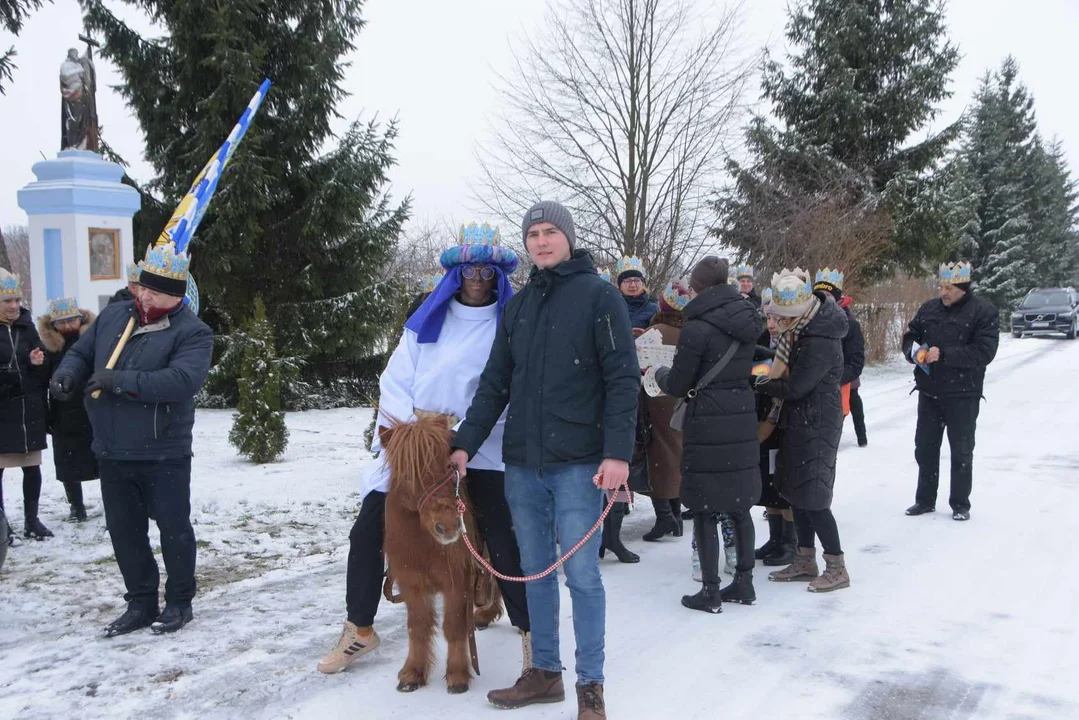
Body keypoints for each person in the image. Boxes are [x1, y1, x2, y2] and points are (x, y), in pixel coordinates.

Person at [317, 223, 533, 676]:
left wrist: (464, 433)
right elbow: (394, 380)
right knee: (369, 530)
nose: (478, 278)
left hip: (480, 445)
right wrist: (415, 433)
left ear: (498, 276)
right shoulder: (425, 324)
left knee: (501, 528)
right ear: (456, 274)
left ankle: (531, 629)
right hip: (416, 446)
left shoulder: (510, 327)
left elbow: (512, 391)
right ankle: (360, 628)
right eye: (470, 269)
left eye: (487, 271)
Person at [451, 201, 639, 720]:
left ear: (568, 238)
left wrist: (618, 453)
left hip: (581, 464)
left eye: (550, 231)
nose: (540, 241)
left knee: (582, 577)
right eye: (533, 233)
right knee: (534, 573)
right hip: (523, 466)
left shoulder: (601, 296)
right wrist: (465, 442)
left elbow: (623, 380)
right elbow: (494, 385)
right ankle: (545, 673)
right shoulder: (519, 306)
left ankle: (591, 688)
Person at [51, 242, 213, 636]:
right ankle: (140, 602)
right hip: (112, 450)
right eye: (142, 287)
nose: (143, 295)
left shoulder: (193, 333)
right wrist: (67, 373)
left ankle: (179, 602)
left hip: (163, 451)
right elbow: (82, 353)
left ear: (176, 296)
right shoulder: (113, 316)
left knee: (174, 529)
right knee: (125, 533)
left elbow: (181, 381)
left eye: (154, 291)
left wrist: (119, 382)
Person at [648, 257, 762, 612]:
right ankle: (744, 583)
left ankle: (710, 590)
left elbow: (681, 383)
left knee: (704, 509)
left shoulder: (696, 329)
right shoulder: (749, 319)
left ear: (698, 288)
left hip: (707, 423)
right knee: (741, 508)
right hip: (741, 419)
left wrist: (661, 372)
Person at [758, 268, 850, 593]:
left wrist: (762, 383)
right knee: (796, 494)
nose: (779, 324)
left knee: (815, 497)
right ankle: (805, 559)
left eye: (784, 318)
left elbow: (797, 387)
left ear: (797, 314)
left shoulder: (821, 339)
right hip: (799, 421)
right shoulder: (802, 330)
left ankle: (836, 566)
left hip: (818, 424)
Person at [901, 262, 998, 521]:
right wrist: (914, 351)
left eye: (949, 288)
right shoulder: (928, 309)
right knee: (925, 448)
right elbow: (910, 335)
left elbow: (984, 352)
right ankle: (924, 500)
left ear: (963, 289)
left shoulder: (983, 312)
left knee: (962, 450)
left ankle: (960, 504)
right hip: (930, 392)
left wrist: (944, 355)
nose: (943, 292)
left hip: (963, 394)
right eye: (941, 287)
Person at [0, 267, 52, 542]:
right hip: (3, 411)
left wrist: (36, 362)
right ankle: (1, 524)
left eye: (16, 300)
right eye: (7, 301)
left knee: (32, 467)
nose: (14, 305)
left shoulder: (27, 326)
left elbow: (42, 369)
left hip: (27, 411)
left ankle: (32, 521)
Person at [640, 279, 692, 542]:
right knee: (677, 451)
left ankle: (665, 516)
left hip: (656, 397)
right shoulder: (692, 332)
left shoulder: (655, 331)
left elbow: (639, 365)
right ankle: (676, 515)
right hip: (683, 398)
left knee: (659, 456)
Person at [39, 297, 98, 521]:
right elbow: (41, 380)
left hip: (91, 407)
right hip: (63, 410)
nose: (66, 326)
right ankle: (76, 505)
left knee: (101, 457)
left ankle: (111, 499)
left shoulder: (92, 339)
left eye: (71, 320)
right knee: (67, 461)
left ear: (80, 319)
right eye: (61, 322)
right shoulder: (49, 347)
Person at [753, 290, 797, 567]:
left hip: (787, 421)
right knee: (768, 484)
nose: (771, 324)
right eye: (768, 317)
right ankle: (774, 539)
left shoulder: (796, 342)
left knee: (786, 485)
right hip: (763, 416)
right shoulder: (760, 341)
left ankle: (790, 544)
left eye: (777, 318)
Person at [813, 269, 866, 446]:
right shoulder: (808, 320)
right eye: (820, 294)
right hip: (810, 390)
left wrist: (834, 378)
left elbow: (856, 362)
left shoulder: (850, 324)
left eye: (828, 294)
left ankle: (862, 437)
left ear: (836, 297)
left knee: (826, 443)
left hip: (836, 390)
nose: (823, 298)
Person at [616, 256, 658, 330]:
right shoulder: (613, 306)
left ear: (642, 284)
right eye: (628, 281)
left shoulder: (654, 309)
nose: (633, 285)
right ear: (620, 286)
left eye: (637, 280)